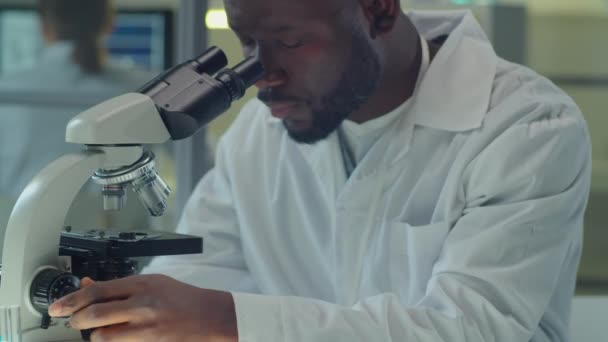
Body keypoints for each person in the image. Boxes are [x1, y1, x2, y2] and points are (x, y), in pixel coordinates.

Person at [48, 0, 591, 341]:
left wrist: (224, 321)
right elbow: (205, 277)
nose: (262, 74)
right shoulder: (257, 136)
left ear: (378, 10)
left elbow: (473, 330)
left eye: (288, 41)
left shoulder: (525, 128)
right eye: (248, 44)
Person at [0, 0, 154, 196]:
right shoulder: (145, 90)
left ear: (43, 27)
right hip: (115, 222)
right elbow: (195, 164)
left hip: (14, 223)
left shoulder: (7, 91)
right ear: (110, 23)